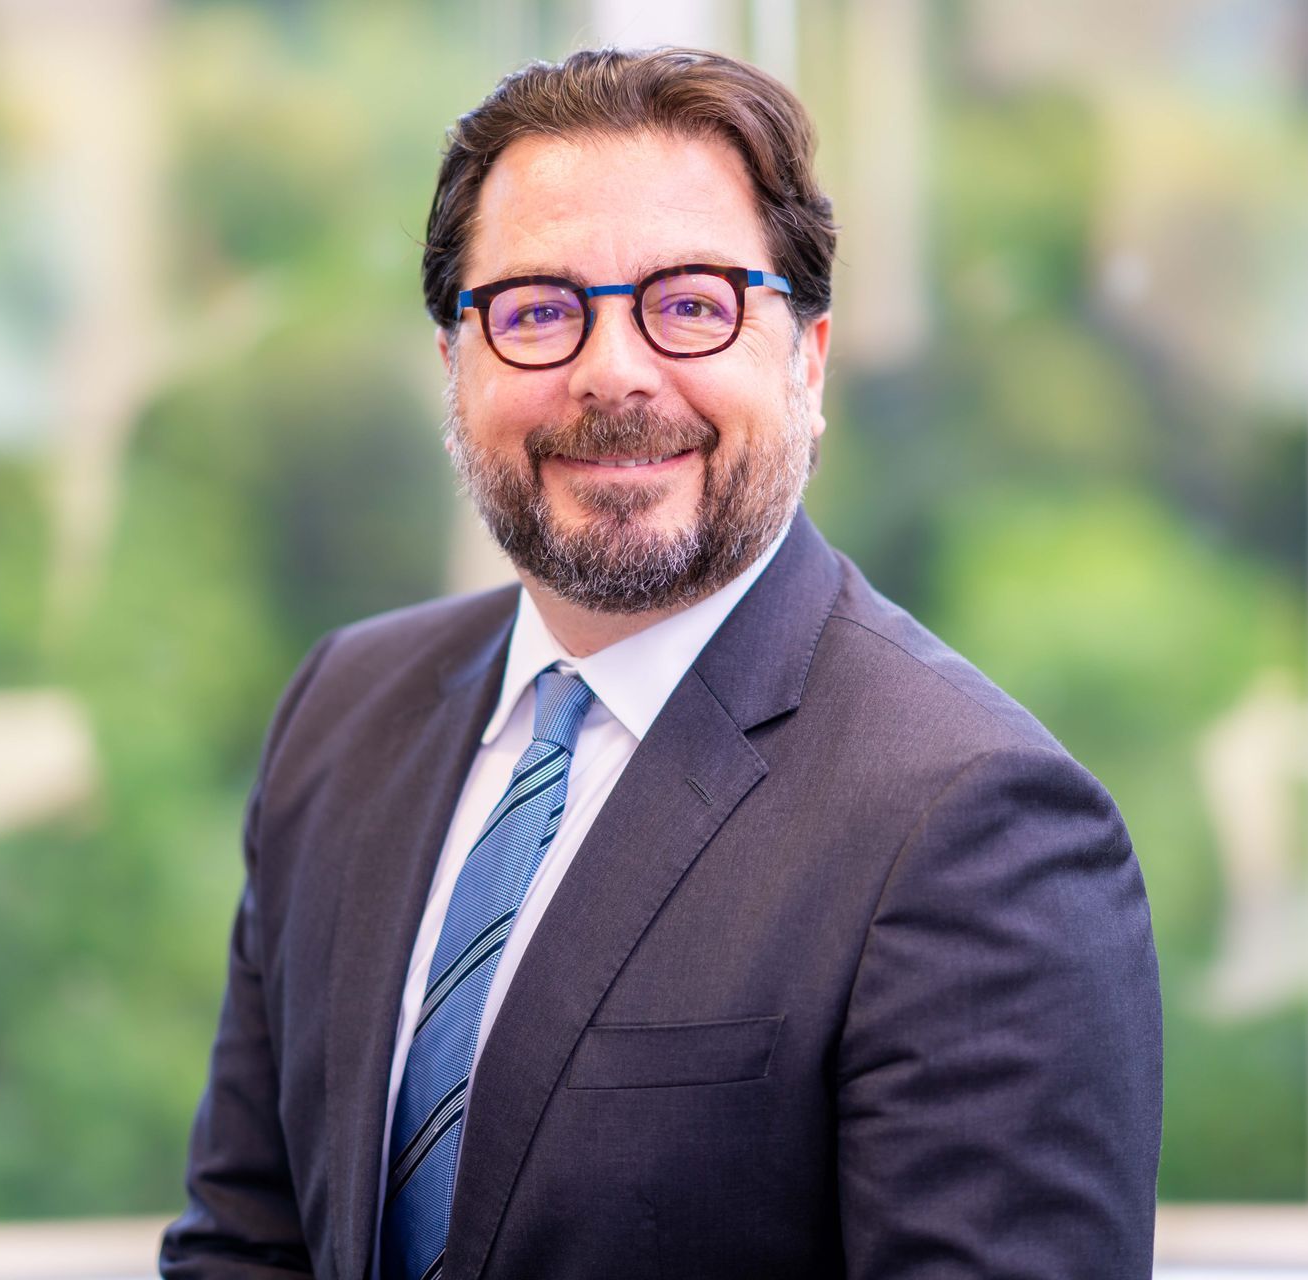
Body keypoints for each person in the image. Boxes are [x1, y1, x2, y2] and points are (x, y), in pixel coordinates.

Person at [160, 46, 1161, 1280]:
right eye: (536, 310)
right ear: (454, 368)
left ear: (806, 356)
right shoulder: (342, 713)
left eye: (692, 303)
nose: (613, 372)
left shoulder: (976, 822)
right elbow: (244, 1244)